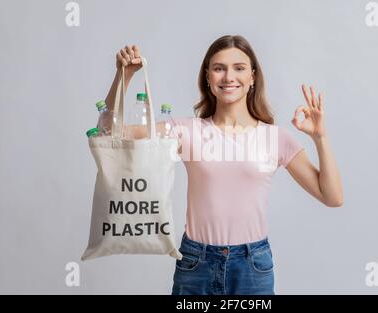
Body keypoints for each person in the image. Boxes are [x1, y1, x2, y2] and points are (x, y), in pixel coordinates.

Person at [103, 35, 343, 295]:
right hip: (196, 263)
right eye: (219, 68)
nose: (229, 77)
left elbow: (332, 197)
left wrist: (320, 138)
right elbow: (107, 133)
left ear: (253, 77)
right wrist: (123, 76)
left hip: (253, 267)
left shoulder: (275, 138)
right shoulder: (186, 131)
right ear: (208, 76)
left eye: (239, 68)